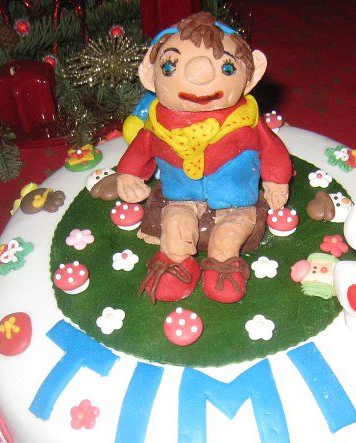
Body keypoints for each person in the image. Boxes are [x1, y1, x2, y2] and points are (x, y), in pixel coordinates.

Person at [116, 11, 292, 303]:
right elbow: (140, 149)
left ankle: (224, 264)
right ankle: (175, 261)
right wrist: (129, 175)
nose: (200, 77)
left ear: (252, 74)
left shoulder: (247, 121)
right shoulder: (156, 125)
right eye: (170, 67)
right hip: (179, 196)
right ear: (149, 74)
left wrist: (276, 180)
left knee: (228, 235)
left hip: (237, 200)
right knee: (175, 223)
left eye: (226, 68)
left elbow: (272, 149)